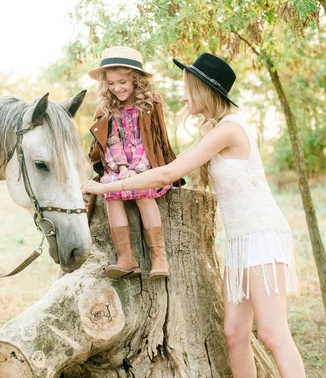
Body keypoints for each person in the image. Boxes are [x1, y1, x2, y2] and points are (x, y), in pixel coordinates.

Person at [82, 53, 305, 377]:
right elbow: (174, 168)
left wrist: (105, 188)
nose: (184, 96)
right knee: (234, 334)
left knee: (272, 333)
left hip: (262, 235)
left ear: (203, 90)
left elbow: (165, 173)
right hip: (240, 240)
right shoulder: (213, 129)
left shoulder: (229, 129)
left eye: (188, 88)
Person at [87, 46, 183, 280]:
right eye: (111, 83)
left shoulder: (149, 104)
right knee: (110, 194)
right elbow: (111, 140)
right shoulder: (107, 107)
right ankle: (126, 257)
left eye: (122, 82)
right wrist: (120, 167)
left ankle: (159, 258)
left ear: (136, 80)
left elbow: (151, 141)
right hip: (118, 165)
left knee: (142, 192)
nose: (117, 88)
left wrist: (137, 170)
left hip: (146, 163)